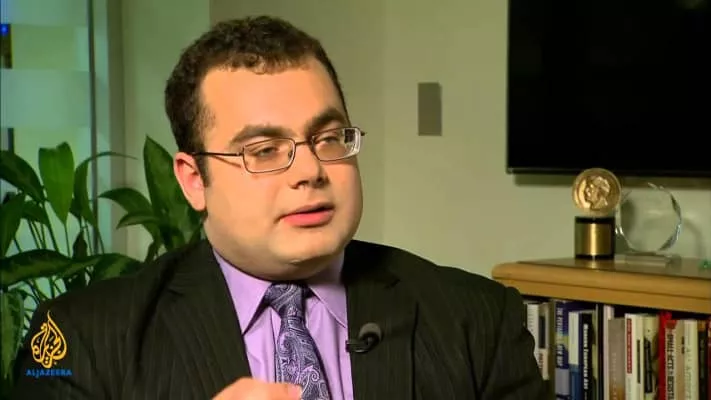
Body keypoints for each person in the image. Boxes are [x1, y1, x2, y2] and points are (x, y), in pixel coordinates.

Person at [12, 16, 548, 400]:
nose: (310, 170)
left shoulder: (476, 320)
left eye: (329, 138)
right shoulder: (84, 338)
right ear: (194, 181)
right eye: (265, 150)